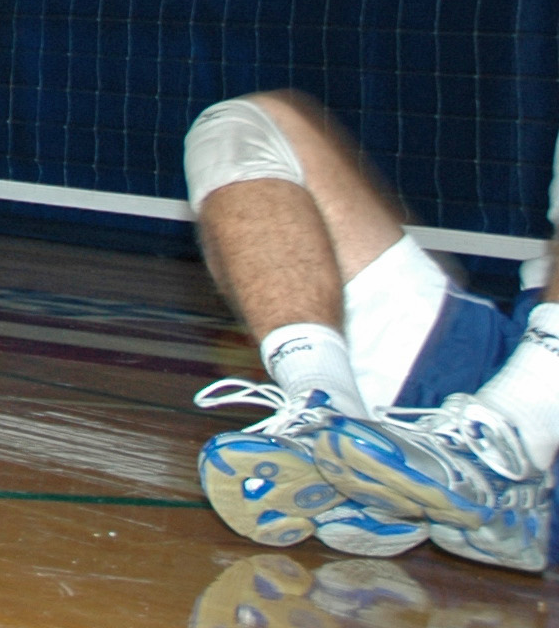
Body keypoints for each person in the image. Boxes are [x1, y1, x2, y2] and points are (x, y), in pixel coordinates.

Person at [183, 91, 559, 571]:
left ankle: (520, 435)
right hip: (502, 354)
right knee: (242, 127)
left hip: (536, 410)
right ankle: (327, 413)